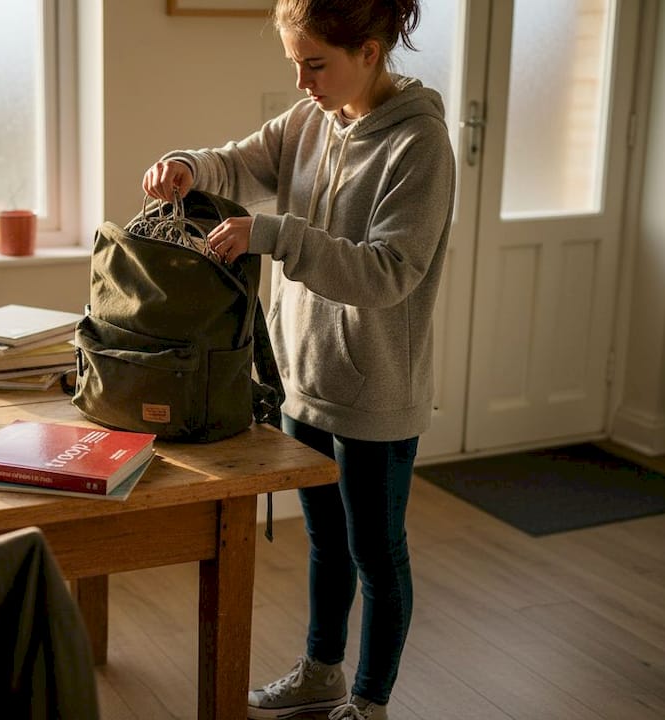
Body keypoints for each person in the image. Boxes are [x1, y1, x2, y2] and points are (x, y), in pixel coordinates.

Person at [141, 1, 454, 718]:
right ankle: (323, 672)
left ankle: (369, 703)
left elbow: (388, 273)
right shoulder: (312, 119)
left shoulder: (420, 143)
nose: (304, 82)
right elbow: (239, 162)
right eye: (295, 65)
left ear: (371, 52)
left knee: (377, 553)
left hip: (375, 388)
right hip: (301, 377)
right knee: (325, 542)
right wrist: (188, 165)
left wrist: (276, 235)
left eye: (316, 64)